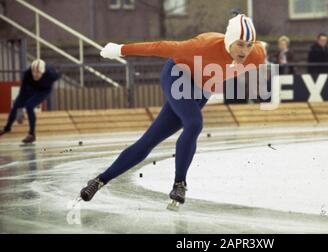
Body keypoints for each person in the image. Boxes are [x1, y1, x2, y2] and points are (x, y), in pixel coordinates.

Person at [79, 14, 266, 207]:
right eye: (240, 44)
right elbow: (158, 47)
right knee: (194, 124)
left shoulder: (256, 54)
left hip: (203, 89)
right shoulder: (200, 47)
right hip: (178, 76)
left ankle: (99, 181)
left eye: (249, 45)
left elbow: (257, 48)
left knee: (150, 140)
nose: (245, 51)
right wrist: (120, 49)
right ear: (229, 40)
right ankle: (180, 184)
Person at [0, 59, 60, 143]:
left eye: (38, 73)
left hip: (44, 90)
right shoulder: (27, 74)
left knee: (29, 106)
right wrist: (19, 108)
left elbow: (58, 75)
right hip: (32, 87)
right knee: (16, 105)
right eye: (33, 72)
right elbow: (22, 92)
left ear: (43, 72)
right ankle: (7, 128)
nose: (35, 75)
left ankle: (32, 134)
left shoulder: (51, 75)